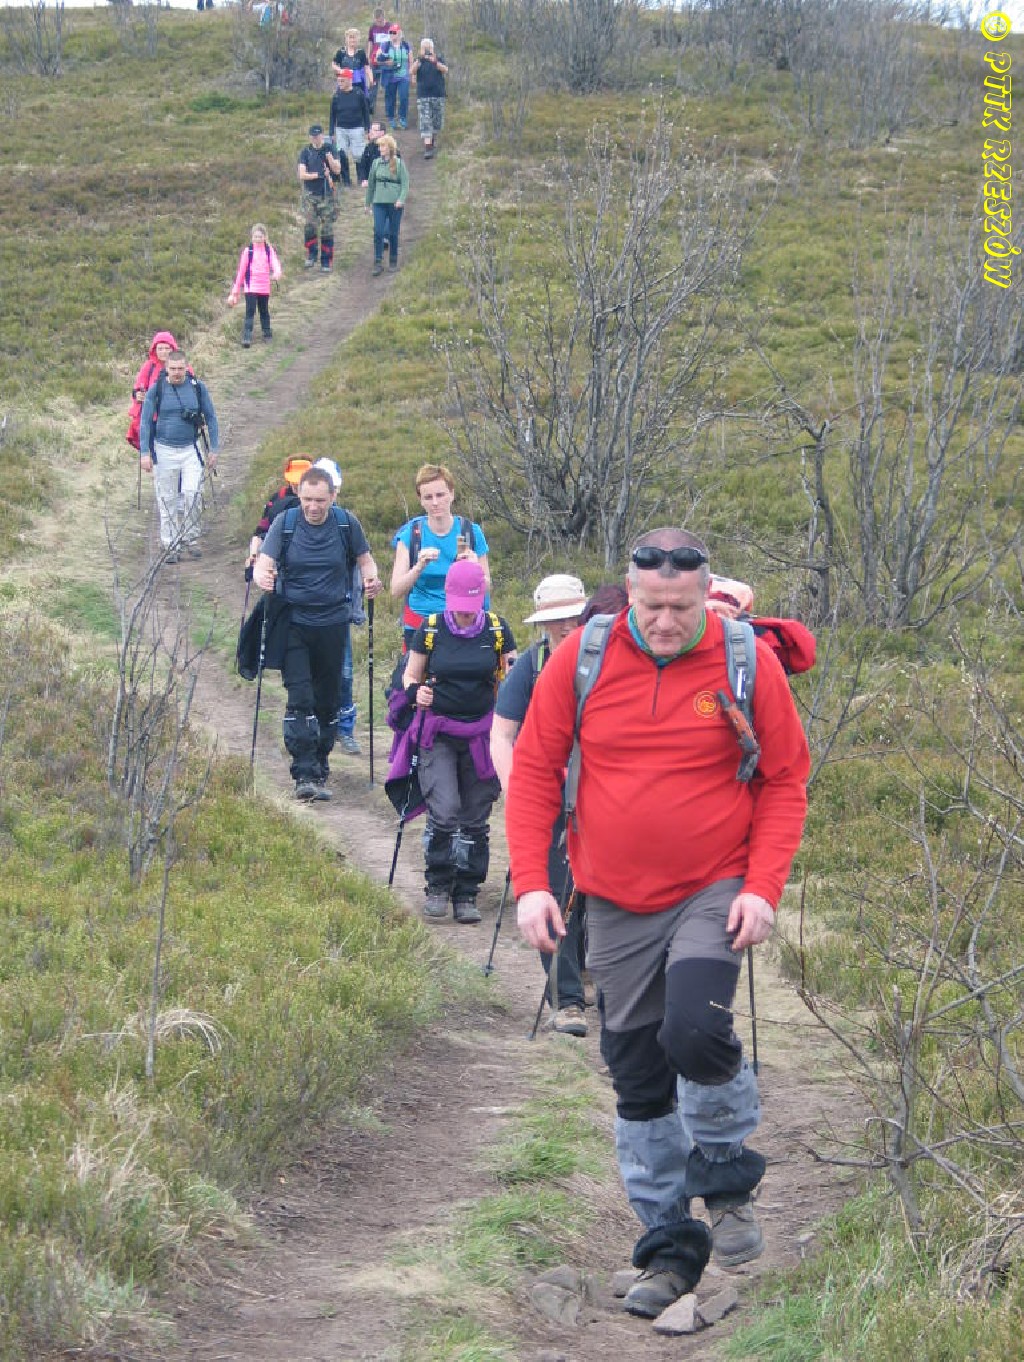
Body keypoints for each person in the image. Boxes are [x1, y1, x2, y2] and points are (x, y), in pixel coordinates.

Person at [506, 528, 810, 1319]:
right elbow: (535, 769)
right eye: (652, 607)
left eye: (681, 607)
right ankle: (669, 1247)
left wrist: (763, 888)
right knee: (635, 1071)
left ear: (705, 595)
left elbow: (785, 779)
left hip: (714, 883)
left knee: (695, 1030)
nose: (667, 622)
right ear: (628, 595)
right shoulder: (583, 659)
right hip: (612, 896)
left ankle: (726, 1175)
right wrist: (532, 884)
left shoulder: (745, 662)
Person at [491, 574, 589, 1035]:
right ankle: (566, 1001)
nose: (566, 626)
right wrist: (518, 792)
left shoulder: (612, 661)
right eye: (556, 619)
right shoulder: (529, 668)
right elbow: (501, 735)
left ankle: (592, 977)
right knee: (553, 891)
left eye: (573, 617)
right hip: (548, 800)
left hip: (602, 801)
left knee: (595, 897)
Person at [252, 466, 382, 800]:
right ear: (299, 494)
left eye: (320, 500)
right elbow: (263, 564)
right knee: (301, 697)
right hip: (293, 622)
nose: (313, 507)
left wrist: (371, 579)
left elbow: (365, 560)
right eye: (307, 499)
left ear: (333, 496)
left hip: (333, 624)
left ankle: (320, 766)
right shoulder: (285, 523)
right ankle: (304, 774)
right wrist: (263, 577)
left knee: (327, 700)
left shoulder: (346, 523)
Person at [398, 560, 516, 923]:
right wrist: (416, 693)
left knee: (476, 817)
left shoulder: (497, 629)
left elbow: (512, 678)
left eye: (471, 607)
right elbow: (410, 675)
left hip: (484, 733)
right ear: (448, 598)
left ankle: (467, 892)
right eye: (460, 607)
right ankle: (438, 886)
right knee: (445, 810)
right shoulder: (431, 629)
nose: (465, 614)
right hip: (439, 733)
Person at [390, 463, 489, 646]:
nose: (435, 503)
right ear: (421, 500)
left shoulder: (471, 532)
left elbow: (487, 586)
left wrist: (474, 567)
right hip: (420, 625)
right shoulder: (411, 536)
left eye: (440, 495)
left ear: (451, 494)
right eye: (428, 497)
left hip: (463, 622)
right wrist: (419, 567)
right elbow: (396, 590)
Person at [139, 351, 220, 562]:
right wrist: (145, 453)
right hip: (163, 450)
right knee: (167, 499)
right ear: (166, 369)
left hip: (191, 449)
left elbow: (211, 417)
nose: (176, 373)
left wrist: (214, 448)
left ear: (187, 368)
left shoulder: (198, 388)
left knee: (193, 493)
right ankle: (170, 545)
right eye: (172, 369)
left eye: (180, 369)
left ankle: (191, 538)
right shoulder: (156, 389)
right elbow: (145, 422)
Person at [310, 456, 364, 757]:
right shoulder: (295, 520)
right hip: (305, 613)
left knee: (343, 673)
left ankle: (345, 729)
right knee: (308, 673)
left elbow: (360, 567)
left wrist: (356, 609)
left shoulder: (346, 523)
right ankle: (311, 726)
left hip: (338, 612)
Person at [245, 455, 312, 571]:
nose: (297, 485)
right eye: (294, 480)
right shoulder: (278, 497)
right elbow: (261, 530)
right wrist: (253, 555)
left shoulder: (320, 500)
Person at [227, 223, 282, 347]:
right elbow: (241, 272)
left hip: (264, 287)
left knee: (264, 311)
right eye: (255, 236)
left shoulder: (269, 250)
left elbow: (275, 264)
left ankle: (267, 334)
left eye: (260, 236)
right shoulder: (248, 251)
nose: (257, 239)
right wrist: (235, 290)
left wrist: (277, 274)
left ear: (265, 237)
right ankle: (247, 337)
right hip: (250, 286)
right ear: (252, 237)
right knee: (250, 312)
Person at [298, 124, 342, 272]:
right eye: (313, 136)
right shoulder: (305, 152)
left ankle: (326, 261)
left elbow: (337, 170)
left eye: (317, 136)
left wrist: (330, 159)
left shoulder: (330, 148)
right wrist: (318, 175)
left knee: (327, 228)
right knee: (310, 226)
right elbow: (302, 174)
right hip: (310, 195)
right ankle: (311, 255)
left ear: (322, 135)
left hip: (327, 195)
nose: (315, 139)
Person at [364, 133, 408, 275]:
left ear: (389, 147)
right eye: (379, 146)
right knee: (378, 231)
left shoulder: (399, 163)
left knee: (393, 233)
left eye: (382, 146)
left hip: (395, 204)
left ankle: (393, 261)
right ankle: (378, 262)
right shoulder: (376, 163)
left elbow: (405, 184)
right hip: (379, 202)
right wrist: (367, 203)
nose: (380, 149)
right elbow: (371, 184)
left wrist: (401, 199)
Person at [126, 330, 177, 451]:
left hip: (175, 418)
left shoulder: (182, 365)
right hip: (152, 419)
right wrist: (138, 395)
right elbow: (137, 389)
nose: (164, 352)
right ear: (155, 350)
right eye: (160, 349)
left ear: (173, 349)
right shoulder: (149, 366)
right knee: (154, 454)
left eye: (167, 348)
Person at [329, 69, 370, 176]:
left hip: (357, 128)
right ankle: (346, 180)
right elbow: (332, 115)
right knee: (341, 154)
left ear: (349, 80)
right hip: (341, 129)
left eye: (342, 81)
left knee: (359, 155)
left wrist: (368, 128)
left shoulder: (359, 93)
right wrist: (331, 132)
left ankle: (362, 178)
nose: (340, 83)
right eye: (339, 81)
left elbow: (365, 112)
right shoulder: (336, 96)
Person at [411, 38, 447, 159]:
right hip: (423, 95)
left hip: (438, 94)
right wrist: (419, 61)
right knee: (425, 121)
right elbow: (412, 71)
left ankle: (432, 142)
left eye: (428, 47)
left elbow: (445, 69)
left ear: (432, 48)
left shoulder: (439, 58)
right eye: (424, 47)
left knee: (437, 121)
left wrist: (435, 61)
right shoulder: (418, 60)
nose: (426, 50)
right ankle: (428, 148)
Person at [378, 22, 411, 130]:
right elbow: (377, 60)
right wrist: (386, 62)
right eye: (390, 32)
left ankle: (402, 118)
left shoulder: (406, 45)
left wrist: (412, 75)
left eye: (394, 32)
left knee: (403, 97)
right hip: (390, 76)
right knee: (390, 98)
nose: (392, 34)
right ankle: (391, 118)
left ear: (399, 33)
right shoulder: (385, 45)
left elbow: (411, 60)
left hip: (403, 76)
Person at [332, 26, 373, 94]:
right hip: (344, 83)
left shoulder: (361, 53)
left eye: (354, 38)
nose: (352, 40)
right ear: (346, 39)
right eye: (350, 37)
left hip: (358, 84)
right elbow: (333, 64)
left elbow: (367, 67)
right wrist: (340, 70)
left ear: (358, 39)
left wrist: (371, 79)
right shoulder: (341, 52)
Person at [367, 6, 391, 114]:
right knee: (373, 84)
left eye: (380, 21)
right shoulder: (373, 28)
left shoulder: (390, 27)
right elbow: (370, 42)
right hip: (375, 60)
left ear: (383, 18)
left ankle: (389, 109)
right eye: (376, 21)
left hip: (387, 60)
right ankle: (371, 107)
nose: (378, 23)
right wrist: (368, 56)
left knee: (387, 85)